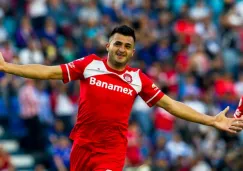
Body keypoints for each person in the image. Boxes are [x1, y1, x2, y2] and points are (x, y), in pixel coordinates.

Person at [0, 25, 243, 171]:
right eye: (118, 43)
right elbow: (49, 71)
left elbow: (171, 105)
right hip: (82, 147)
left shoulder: (138, 79)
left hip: (111, 152)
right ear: (108, 45)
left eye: (127, 46)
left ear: (133, 52)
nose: (121, 49)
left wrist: (211, 120)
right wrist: (8, 67)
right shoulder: (89, 65)